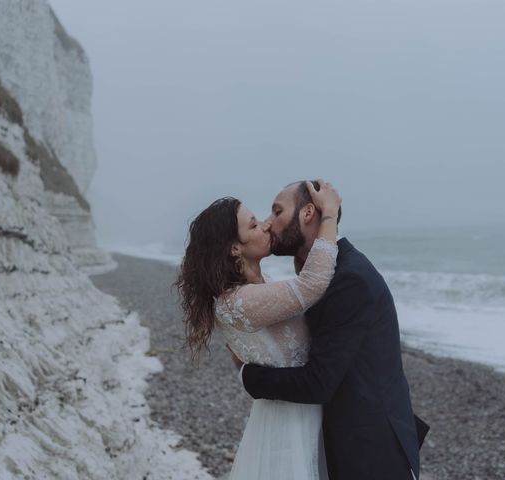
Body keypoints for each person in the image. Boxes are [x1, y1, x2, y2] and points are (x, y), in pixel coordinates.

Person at [235, 180, 427, 480]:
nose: (268, 222)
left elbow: (319, 382)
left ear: (308, 212)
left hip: (372, 455)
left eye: (277, 210)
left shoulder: (350, 279)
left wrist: (249, 374)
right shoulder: (322, 274)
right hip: (346, 444)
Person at [175, 180, 342, 480]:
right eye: (253, 225)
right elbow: (313, 285)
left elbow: (242, 361)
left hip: (291, 417)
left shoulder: (247, 295)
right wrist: (329, 213)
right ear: (235, 248)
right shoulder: (240, 301)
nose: (266, 225)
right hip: (290, 428)